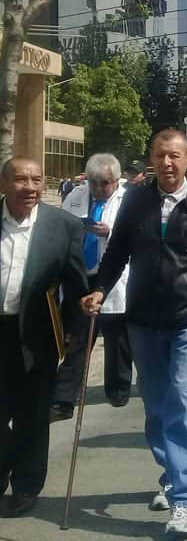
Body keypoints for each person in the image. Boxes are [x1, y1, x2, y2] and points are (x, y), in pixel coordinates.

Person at [81, 130, 187, 535]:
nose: (167, 163)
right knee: (156, 407)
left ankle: (185, 498)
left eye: (175, 156)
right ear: (152, 159)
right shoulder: (136, 201)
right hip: (143, 319)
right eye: (160, 155)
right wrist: (99, 289)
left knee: (184, 399)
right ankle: (171, 472)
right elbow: (117, 251)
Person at [0, 157, 87, 518]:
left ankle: (25, 486)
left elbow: (76, 283)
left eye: (37, 180)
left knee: (32, 416)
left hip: (36, 333)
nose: (30, 188)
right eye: (21, 180)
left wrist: (72, 333)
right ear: (4, 184)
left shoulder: (63, 226)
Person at [52, 154, 132, 420]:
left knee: (117, 338)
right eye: (94, 183)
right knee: (77, 338)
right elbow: (60, 228)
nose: (99, 189)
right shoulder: (75, 196)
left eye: (105, 183)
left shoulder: (129, 200)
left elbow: (137, 236)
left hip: (113, 275)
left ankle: (118, 388)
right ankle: (64, 398)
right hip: (80, 274)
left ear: (116, 181)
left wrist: (110, 232)